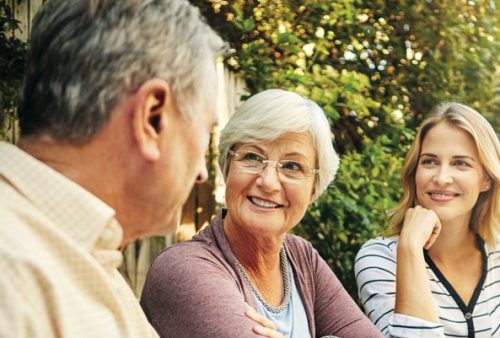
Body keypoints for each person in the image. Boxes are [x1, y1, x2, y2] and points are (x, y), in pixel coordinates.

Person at [0, 0, 225, 337]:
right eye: (204, 134)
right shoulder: (14, 275)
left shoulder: (88, 255)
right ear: (152, 117)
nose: (202, 174)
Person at [140, 89, 383, 338]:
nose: (268, 182)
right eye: (252, 157)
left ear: (313, 190)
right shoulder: (184, 270)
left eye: (292, 166)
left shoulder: (302, 258)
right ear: (227, 167)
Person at [354, 103, 499, 337]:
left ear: (486, 179)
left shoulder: (497, 253)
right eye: (430, 162)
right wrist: (410, 249)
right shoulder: (380, 259)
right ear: (415, 172)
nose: (442, 178)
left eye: (460, 163)